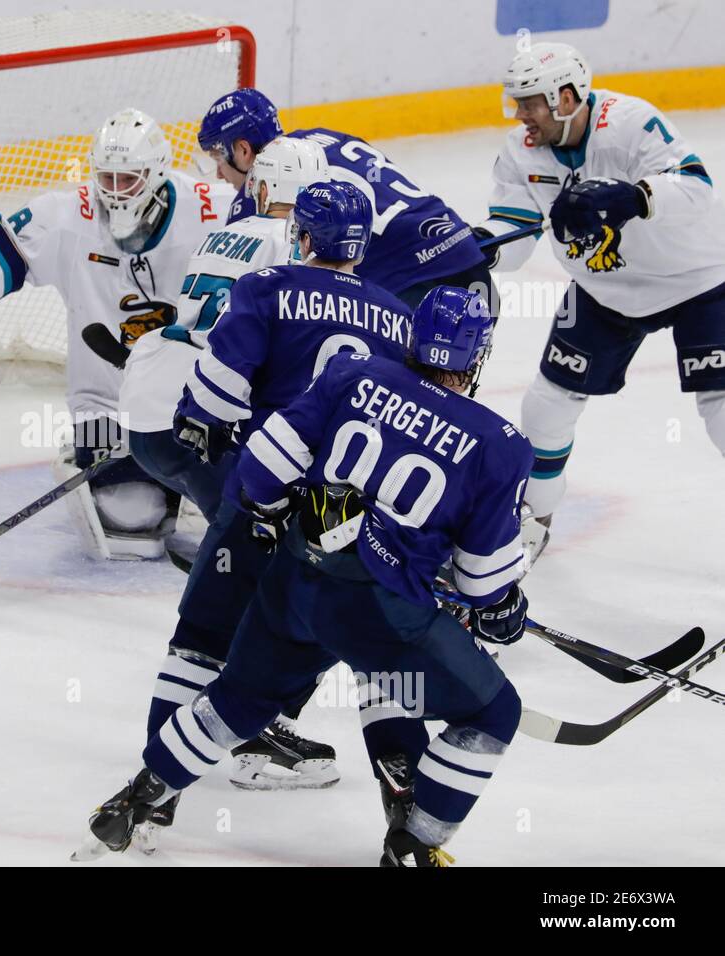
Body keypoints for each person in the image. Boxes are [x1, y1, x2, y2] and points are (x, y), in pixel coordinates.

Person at [82, 286, 532, 866]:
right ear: (475, 358)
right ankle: (413, 845)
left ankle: (136, 799)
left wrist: (270, 513)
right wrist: (502, 612)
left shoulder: (354, 374)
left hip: (294, 583)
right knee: (493, 713)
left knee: (237, 699)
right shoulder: (500, 445)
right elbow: (482, 584)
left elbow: (262, 467)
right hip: (384, 615)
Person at [125, 180, 413, 848]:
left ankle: (155, 798)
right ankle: (405, 822)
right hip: (336, 508)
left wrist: (203, 426)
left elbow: (217, 395)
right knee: (334, 636)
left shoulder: (265, 286)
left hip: (263, 486)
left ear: (302, 236)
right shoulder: (398, 317)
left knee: (199, 637)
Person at [0, 108, 235, 559]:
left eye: (126, 179)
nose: (113, 192)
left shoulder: (215, 209)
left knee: (249, 503)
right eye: (105, 178)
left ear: (154, 175)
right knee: (134, 527)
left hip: (203, 404)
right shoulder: (70, 215)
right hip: (106, 406)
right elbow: (0, 252)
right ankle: (117, 457)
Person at [479, 41, 725, 555]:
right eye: (517, 102)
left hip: (698, 280)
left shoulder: (631, 122)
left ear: (565, 97)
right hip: (603, 291)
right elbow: (516, 233)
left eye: (530, 102)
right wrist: (479, 247)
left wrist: (634, 196)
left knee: (722, 410)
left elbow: (697, 184)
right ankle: (534, 520)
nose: (520, 113)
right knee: (547, 407)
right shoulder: (520, 151)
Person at [120, 135, 330, 522]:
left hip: (145, 409)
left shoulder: (219, 234)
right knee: (253, 534)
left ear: (262, 189)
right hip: (197, 415)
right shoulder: (292, 247)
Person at [198, 87, 492, 311]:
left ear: (243, 150)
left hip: (415, 291)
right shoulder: (324, 137)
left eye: (217, 158)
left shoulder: (264, 183)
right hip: (473, 267)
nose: (220, 175)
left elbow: (235, 290)